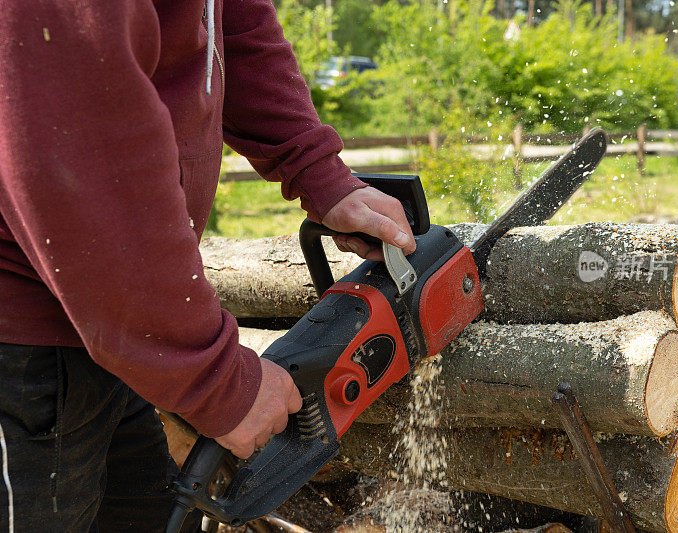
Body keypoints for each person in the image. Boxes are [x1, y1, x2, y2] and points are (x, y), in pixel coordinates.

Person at [0, 1, 415, 530]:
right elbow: (80, 147)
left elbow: (231, 25)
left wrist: (316, 169)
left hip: (111, 335)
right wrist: (216, 380)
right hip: (23, 344)